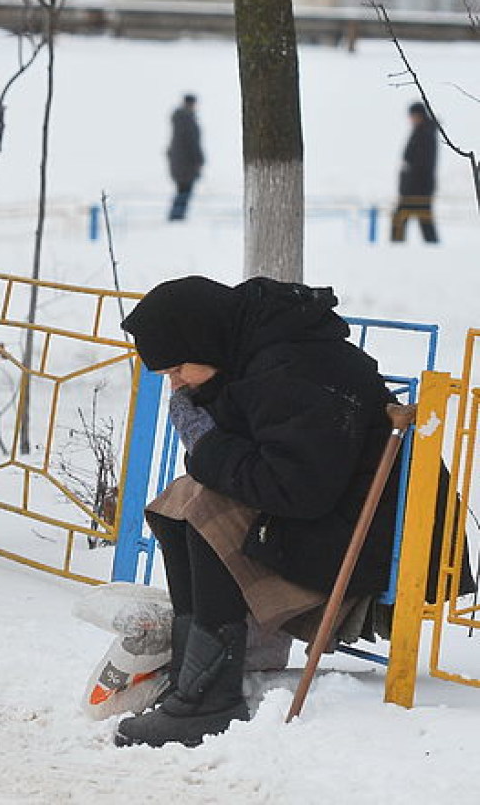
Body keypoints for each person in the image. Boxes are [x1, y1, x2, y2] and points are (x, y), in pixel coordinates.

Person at [114, 275, 401, 748]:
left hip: (361, 538)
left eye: (178, 368)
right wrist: (209, 436)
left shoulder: (291, 368)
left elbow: (295, 489)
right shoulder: (253, 354)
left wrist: (206, 442)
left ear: (201, 339)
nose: (176, 383)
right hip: (328, 517)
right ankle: (194, 679)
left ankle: (210, 697)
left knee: (199, 506)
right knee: (179, 502)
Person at [390, 101, 439, 244]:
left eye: (412, 115)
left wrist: (408, 188)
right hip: (418, 188)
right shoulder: (422, 132)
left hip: (417, 189)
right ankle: (435, 253)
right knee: (425, 224)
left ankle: (395, 255)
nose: (410, 119)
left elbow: (421, 165)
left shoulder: (424, 134)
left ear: (419, 115)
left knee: (400, 220)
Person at [166, 94, 203, 221]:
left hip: (178, 163)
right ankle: (177, 216)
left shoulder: (180, 120)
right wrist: (199, 160)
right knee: (184, 191)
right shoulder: (187, 121)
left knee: (182, 190)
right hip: (186, 165)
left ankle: (176, 215)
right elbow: (192, 143)